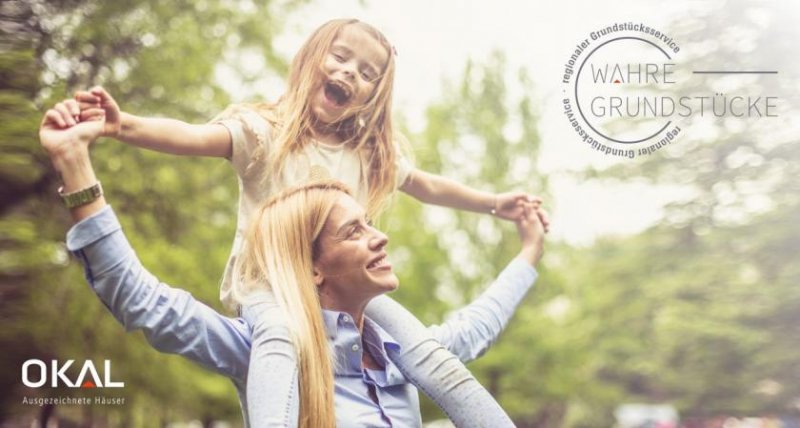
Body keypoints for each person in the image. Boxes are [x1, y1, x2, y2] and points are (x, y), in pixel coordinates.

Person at [61, 18, 548, 427]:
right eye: (340, 58)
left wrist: (497, 206)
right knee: (279, 336)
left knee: (432, 355)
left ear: (374, 95)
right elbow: (192, 137)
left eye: (366, 73)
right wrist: (120, 126)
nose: (349, 73)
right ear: (310, 60)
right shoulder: (265, 135)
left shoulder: (365, 156)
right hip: (271, 288)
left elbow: (429, 187)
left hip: (343, 298)